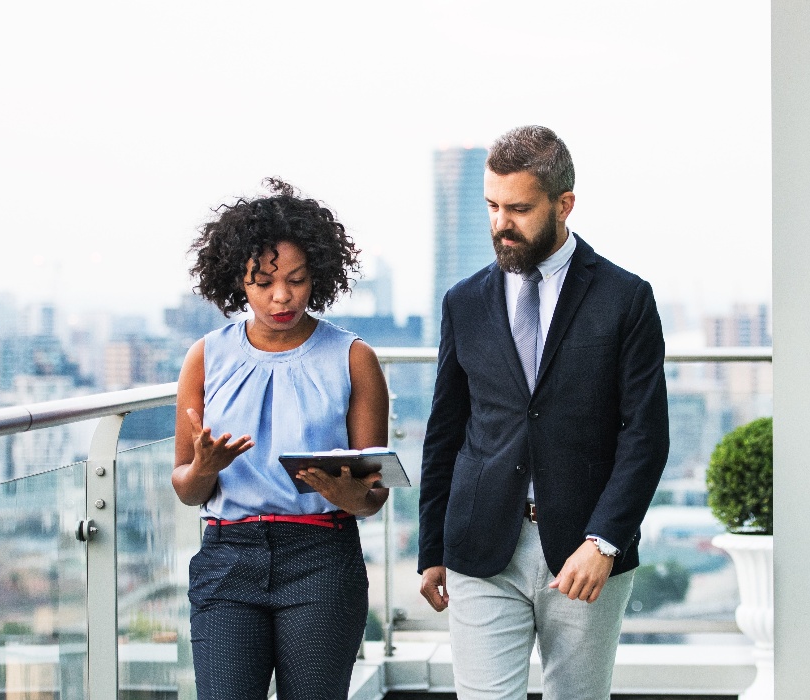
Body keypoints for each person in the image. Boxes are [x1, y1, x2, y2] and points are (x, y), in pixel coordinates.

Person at [417, 126, 670, 700]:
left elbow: (646, 436)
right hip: (481, 545)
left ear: (564, 205)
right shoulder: (464, 301)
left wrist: (604, 541)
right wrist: (431, 547)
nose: (501, 223)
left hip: (586, 549)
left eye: (519, 208)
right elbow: (446, 431)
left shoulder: (626, 298)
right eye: (492, 206)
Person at [172, 177, 390, 700]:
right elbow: (185, 487)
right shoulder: (205, 356)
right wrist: (204, 467)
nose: (281, 296)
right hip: (228, 557)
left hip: (322, 555)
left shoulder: (353, 358)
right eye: (262, 281)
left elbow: (374, 493)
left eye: (296, 279)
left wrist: (350, 495)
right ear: (236, 281)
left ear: (318, 275)